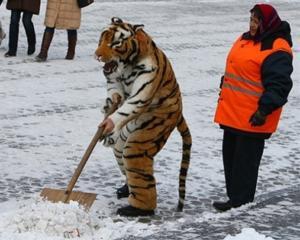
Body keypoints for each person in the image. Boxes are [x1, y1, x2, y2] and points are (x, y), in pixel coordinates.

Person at [213, 3, 293, 212]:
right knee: (230, 160)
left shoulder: (277, 47)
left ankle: (241, 207)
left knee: (244, 165)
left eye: (257, 21)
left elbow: (279, 85)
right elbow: (239, 68)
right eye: (251, 20)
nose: (252, 25)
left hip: (253, 117)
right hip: (232, 113)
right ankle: (235, 201)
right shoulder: (245, 39)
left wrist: (263, 111)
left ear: (267, 23)